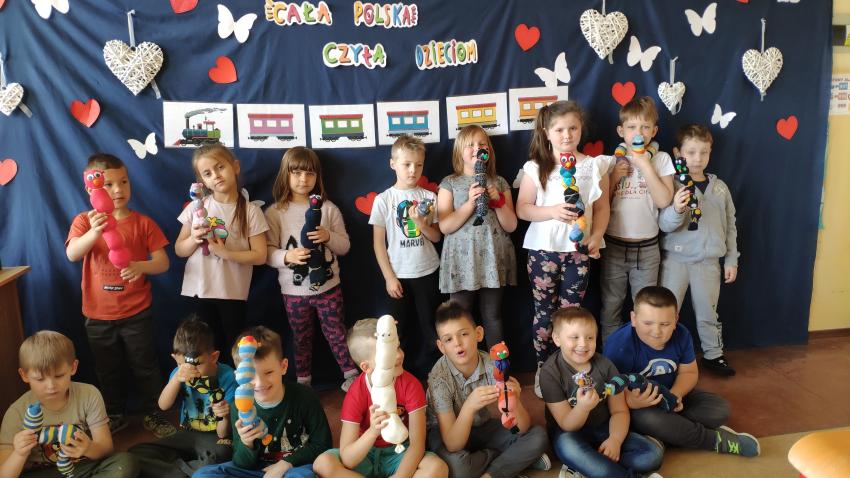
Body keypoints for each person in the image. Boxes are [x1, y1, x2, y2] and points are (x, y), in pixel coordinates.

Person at [65, 153, 172, 436]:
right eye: (109, 184)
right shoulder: (84, 221)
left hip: (137, 312)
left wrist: (140, 266)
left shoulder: (143, 223)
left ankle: (154, 412)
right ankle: (113, 414)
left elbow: (163, 263)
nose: (118, 189)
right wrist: (94, 231)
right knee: (107, 370)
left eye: (123, 182)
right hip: (98, 315)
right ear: (91, 189)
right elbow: (73, 253)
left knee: (145, 366)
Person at [515, 100, 612, 396]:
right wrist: (552, 211)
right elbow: (523, 208)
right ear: (547, 132)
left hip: (578, 252)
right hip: (542, 251)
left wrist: (596, 235)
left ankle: (570, 371)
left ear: (581, 129)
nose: (567, 135)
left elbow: (602, 208)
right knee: (544, 314)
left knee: (571, 315)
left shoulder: (594, 166)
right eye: (559, 129)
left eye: (573, 128)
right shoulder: (536, 167)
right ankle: (544, 370)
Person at [604, 286, 759, 457]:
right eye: (647, 323)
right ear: (634, 319)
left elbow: (689, 373)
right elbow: (612, 390)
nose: (656, 331)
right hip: (639, 408)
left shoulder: (682, 334)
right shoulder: (619, 344)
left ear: (676, 320)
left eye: (665, 324)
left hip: (670, 396)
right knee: (650, 419)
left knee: (720, 409)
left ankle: (668, 434)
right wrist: (631, 401)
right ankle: (715, 441)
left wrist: (676, 394)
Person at [265, 146, 359, 391]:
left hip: (329, 288)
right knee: (301, 338)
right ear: (285, 175)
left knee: (336, 333)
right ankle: (303, 381)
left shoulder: (328, 208)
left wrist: (328, 236)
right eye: (296, 173)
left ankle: (351, 375)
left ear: (317, 176)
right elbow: (267, 252)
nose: (303, 179)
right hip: (294, 293)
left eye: (309, 173)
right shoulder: (275, 212)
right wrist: (287, 256)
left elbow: (345, 246)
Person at [426, 301, 550, 478]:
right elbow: (453, 444)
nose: (458, 343)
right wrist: (469, 407)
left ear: (478, 334)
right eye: (448, 339)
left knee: (538, 435)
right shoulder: (438, 379)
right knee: (457, 469)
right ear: (441, 347)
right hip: (445, 434)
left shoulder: (493, 366)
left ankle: (491, 474)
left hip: (481, 426)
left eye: (464, 334)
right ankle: (509, 459)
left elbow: (522, 427)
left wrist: (514, 401)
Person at [312, 319, 447, 478]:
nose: (398, 355)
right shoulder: (355, 392)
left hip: (399, 453)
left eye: (397, 346)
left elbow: (417, 445)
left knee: (437, 468)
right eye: (387, 353)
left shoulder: (411, 384)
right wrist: (372, 431)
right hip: (365, 455)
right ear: (366, 367)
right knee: (322, 463)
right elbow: (348, 459)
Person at [540, 307, 663, 478]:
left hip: (604, 426)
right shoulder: (550, 373)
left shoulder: (606, 366)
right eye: (574, 337)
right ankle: (599, 467)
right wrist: (582, 408)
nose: (583, 344)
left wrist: (615, 440)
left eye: (590, 337)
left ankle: (588, 467)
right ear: (557, 339)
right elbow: (567, 424)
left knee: (652, 456)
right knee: (569, 449)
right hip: (569, 433)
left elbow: (619, 411)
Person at [194, 326, 332, 478]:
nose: (260, 383)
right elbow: (241, 462)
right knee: (203, 475)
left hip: (293, 468)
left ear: (283, 366)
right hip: (255, 470)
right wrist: (247, 444)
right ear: (238, 376)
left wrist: (286, 463)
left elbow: (323, 445)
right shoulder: (238, 406)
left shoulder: (304, 397)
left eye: (269, 372)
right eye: (250, 375)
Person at [0, 331, 139, 478]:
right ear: (24, 375)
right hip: (41, 473)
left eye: (59, 376)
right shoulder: (16, 412)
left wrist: (88, 448)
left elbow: (106, 448)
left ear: (73, 367)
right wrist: (19, 454)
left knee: (125, 462)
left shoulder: (89, 394)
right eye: (40, 379)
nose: (51, 386)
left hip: (81, 467)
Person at [659, 125, 739, 376]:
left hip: (708, 262)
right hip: (676, 261)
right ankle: (663, 355)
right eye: (691, 152)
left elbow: (730, 225)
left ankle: (713, 354)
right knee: (667, 311)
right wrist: (677, 208)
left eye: (704, 152)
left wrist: (731, 259)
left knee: (708, 311)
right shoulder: (672, 184)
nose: (697, 158)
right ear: (677, 153)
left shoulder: (720, 188)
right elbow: (664, 224)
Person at [175, 144, 268, 359]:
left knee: (232, 349)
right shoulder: (196, 207)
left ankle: (233, 381)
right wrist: (194, 238)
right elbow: (179, 250)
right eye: (208, 173)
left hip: (231, 292)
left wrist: (226, 253)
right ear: (201, 180)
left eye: (220, 167)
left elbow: (260, 255)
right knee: (200, 350)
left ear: (235, 166)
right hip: (198, 289)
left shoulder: (251, 211)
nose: (216, 176)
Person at [601, 97, 675, 341]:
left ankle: (643, 353)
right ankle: (611, 354)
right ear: (621, 131)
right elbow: (600, 205)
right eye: (632, 127)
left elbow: (664, 200)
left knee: (646, 308)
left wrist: (645, 165)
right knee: (611, 305)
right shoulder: (611, 162)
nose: (639, 133)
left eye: (645, 127)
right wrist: (613, 178)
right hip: (614, 246)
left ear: (654, 131)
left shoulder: (661, 159)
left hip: (647, 250)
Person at [437, 125, 517, 348]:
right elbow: (445, 226)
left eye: (482, 144)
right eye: (470, 145)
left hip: (493, 260)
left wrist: (498, 202)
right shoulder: (450, 183)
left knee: (493, 316)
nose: (476, 148)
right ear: (459, 152)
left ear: (488, 150)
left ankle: (498, 366)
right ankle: (461, 364)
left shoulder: (499, 182)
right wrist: (470, 203)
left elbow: (511, 225)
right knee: (458, 318)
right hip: (461, 262)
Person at [369, 134, 442, 378]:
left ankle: (435, 375)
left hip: (427, 271)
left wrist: (421, 223)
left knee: (429, 327)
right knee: (397, 330)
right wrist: (389, 277)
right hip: (398, 274)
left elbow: (436, 237)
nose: (413, 170)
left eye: (418, 165)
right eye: (407, 164)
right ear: (393, 164)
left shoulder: (430, 198)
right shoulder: (383, 200)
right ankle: (400, 377)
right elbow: (378, 244)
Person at [129, 318, 236, 477]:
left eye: (197, 365)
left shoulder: (228, 377)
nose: (191, 371)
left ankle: (174, 469)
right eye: (182, 365)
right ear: (175, 359)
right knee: (135, 453)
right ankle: (187, 470)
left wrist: (224, 415)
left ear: (214, 357)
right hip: (187, 433)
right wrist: (176, 378)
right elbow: (163, 405)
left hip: (214, 438)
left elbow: (223, 434)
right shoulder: (179, 374)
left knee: (222, 454)